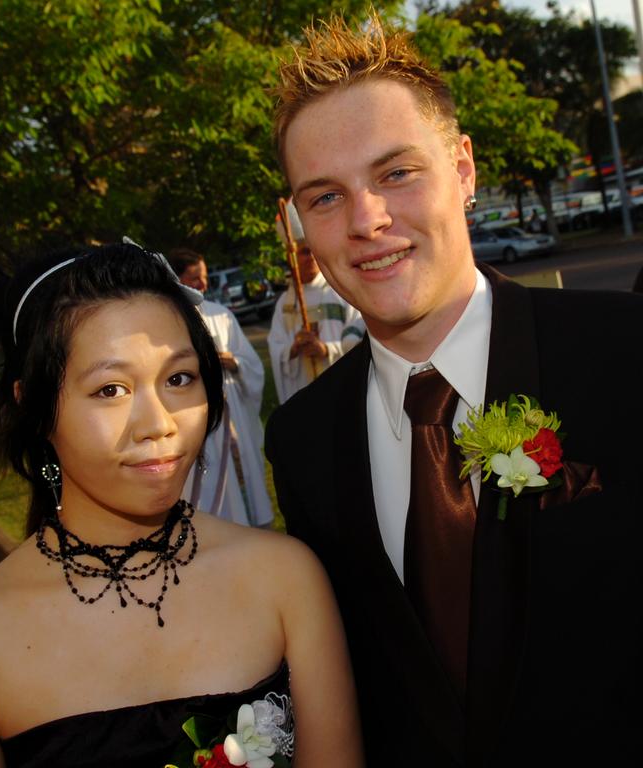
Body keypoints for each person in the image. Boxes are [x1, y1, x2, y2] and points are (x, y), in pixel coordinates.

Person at [265, 15, 643, 767]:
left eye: (396, 173)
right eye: (326, 196)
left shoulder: (624, 350)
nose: (367, 221)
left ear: (464, 170)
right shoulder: (302, 439)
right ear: (299, 222)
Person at [0, 241, 363, 767]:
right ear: (32, 405)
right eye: (110, 390)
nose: (159, 424)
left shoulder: (287, 579)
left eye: (178, 379)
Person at [168, 247, 274, 528]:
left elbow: (252, 364)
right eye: (194, 278)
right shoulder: (170, 323)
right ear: (177, 280)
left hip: (231, 414)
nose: (202, 284)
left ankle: (251, 527)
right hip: (197, 418)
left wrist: (234, 362)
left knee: (241, 482)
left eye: (203, 277)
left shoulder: (222, 315)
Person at [268, 199, 364, 403]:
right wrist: (293, 349)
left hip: (345, 390)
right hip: (306, 390)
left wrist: (326, 350)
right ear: (290, 257)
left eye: (314, 249)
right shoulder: (285, 304)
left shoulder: (342, 290)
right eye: (303, 252)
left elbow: (360, 336)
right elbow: (276, 348)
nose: (311, 256)